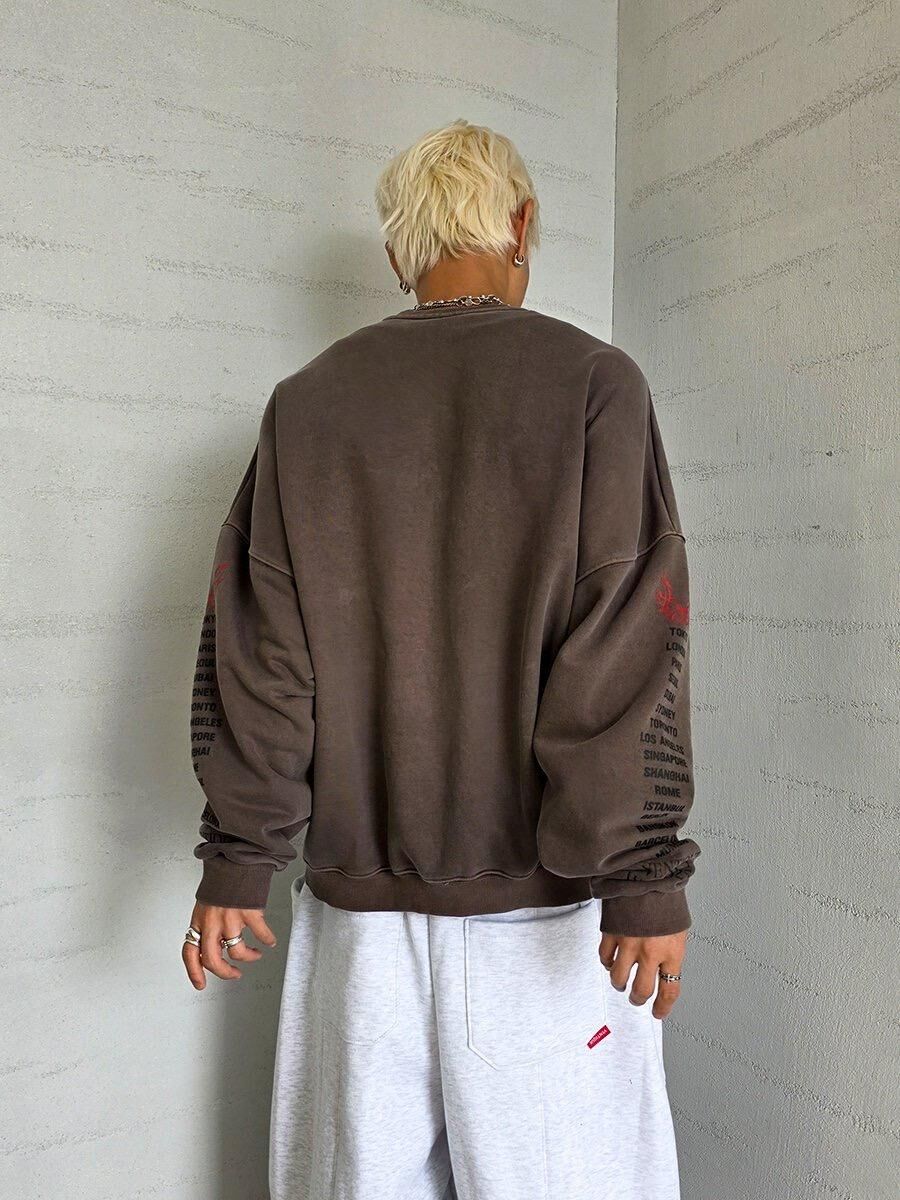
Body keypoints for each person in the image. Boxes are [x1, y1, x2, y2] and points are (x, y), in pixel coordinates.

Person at [182, 118, 700, 1200]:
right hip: (548, 927)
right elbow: (626, 643)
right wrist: (643, 876)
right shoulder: (595, 384)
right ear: (522, 224)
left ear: (396, 253)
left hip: (357, 937)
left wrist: (239, 855)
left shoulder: (307, 403)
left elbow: (262, 648)